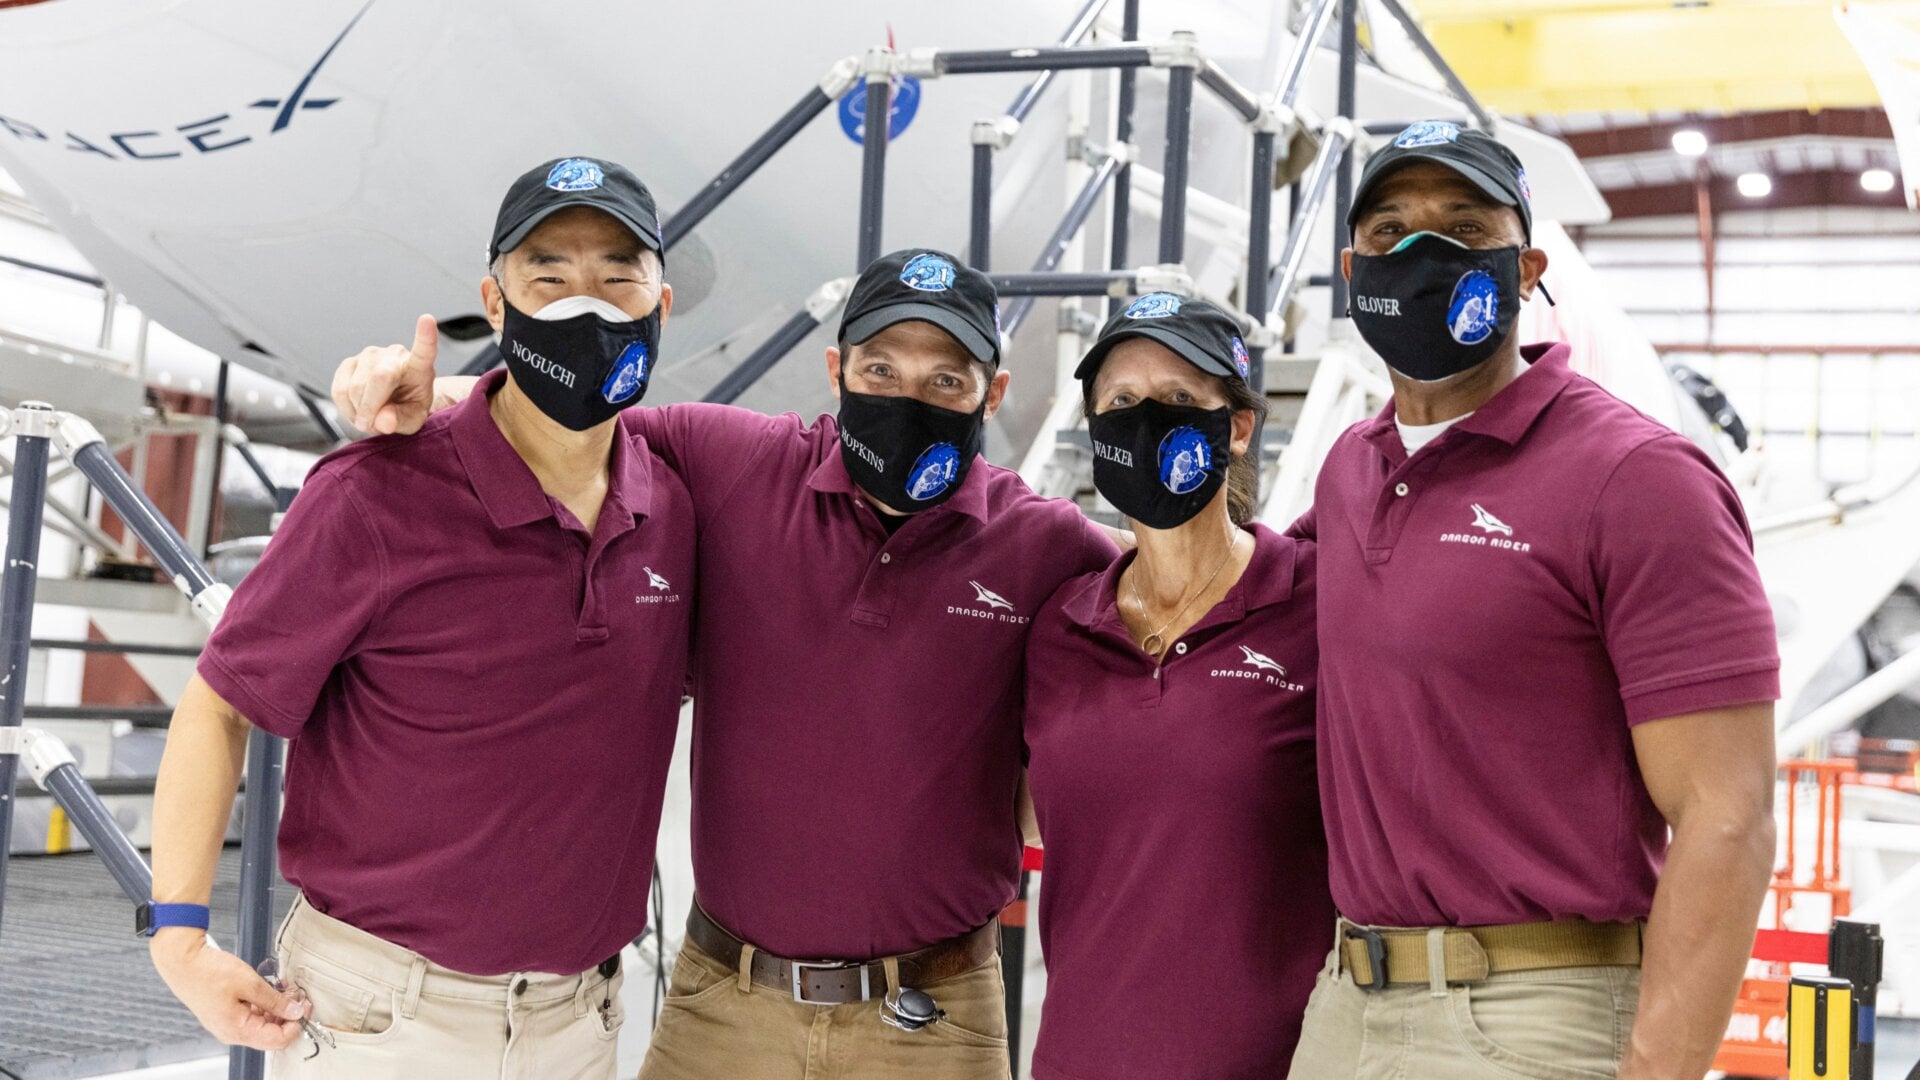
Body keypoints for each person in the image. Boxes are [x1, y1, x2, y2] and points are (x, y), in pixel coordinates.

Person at [331, 248, 1121, 1079]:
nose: (907, 398)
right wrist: (422, 390)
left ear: (992, 393)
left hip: (931, 1018)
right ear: (836, 370)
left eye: (946, 381)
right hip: (723, 1006)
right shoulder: (738, 464)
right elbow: (563, 417)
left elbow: (1173, 599)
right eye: (881, 370)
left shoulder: (1047, 544)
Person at [148, 156, 690, 1078]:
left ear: (660, 306)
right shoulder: (375, 494)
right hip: (385, 1019)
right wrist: (179, 939)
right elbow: (223, 703)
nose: (585, 306)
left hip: (582, 1020)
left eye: (616, 277)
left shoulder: (674, 507)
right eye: (549, 278)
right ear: (495, 302)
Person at [1285, 121, 1780, 1079]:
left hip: (1535, 1012)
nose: (1422, 253)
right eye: (1390, 232)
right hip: (1348, 1002)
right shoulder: (1353, 467)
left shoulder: (1638, 479)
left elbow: (1729, 813)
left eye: (1465, 230)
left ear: (1526, 270)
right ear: (1353, 272)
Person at [1021, 296, 1332, 1079]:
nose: (1147, 420)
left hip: (1275, 1064)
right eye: (1122, 401)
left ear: (1238, 427)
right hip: (1078, 1060)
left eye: (1180, 397)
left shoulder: (1320, 603)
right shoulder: (1060, 626)